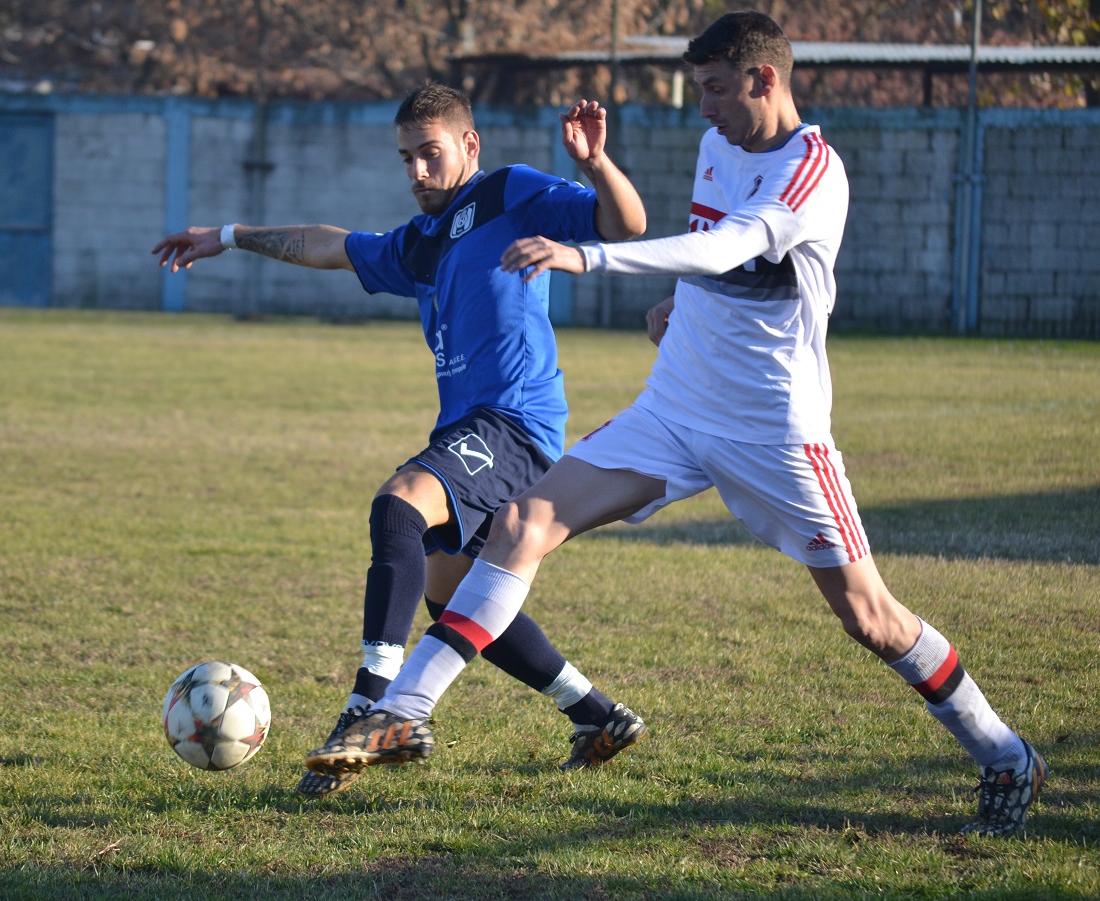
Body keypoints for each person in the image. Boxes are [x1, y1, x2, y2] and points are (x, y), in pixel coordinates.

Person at [305, 13, 1047, 837]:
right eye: (701, 91)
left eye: (716, 89)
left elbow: (729, 248)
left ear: (765, 80)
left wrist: (587, 256)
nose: (704, 109)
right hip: (674, 407)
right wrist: (678, 307)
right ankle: (404, 710)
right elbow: (707, 261)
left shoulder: (811, 172)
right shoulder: (716, 146)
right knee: (522, 522)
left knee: (869, 617)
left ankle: (1005, 754)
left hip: (773, 429)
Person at [154, 83, 651, 797]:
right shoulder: (420, 243)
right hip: (470, 429)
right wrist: (230, 237)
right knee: (453, 599)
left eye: (431, 153)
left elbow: (623, 224)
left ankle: (370, 707)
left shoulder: (509, 193)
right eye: (406, 158)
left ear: (468, 146)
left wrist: (598, 164)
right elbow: (332, 246)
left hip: (513, 424)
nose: (417, 171)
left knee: (399, 505)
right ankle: (597, 716)